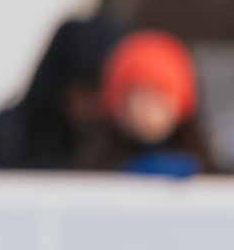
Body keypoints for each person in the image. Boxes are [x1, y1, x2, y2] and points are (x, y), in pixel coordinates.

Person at [0, 13, 124, 170]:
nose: (95, 105)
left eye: (105, 92)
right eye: (87, 90)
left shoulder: (114, 147)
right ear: (60, 82)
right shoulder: (9, 137)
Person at [81, 30, 217, 178]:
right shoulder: (95, 164)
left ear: (179, 102)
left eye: (155, 97)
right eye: (130, 98)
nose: (139, 110)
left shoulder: (206, 167)